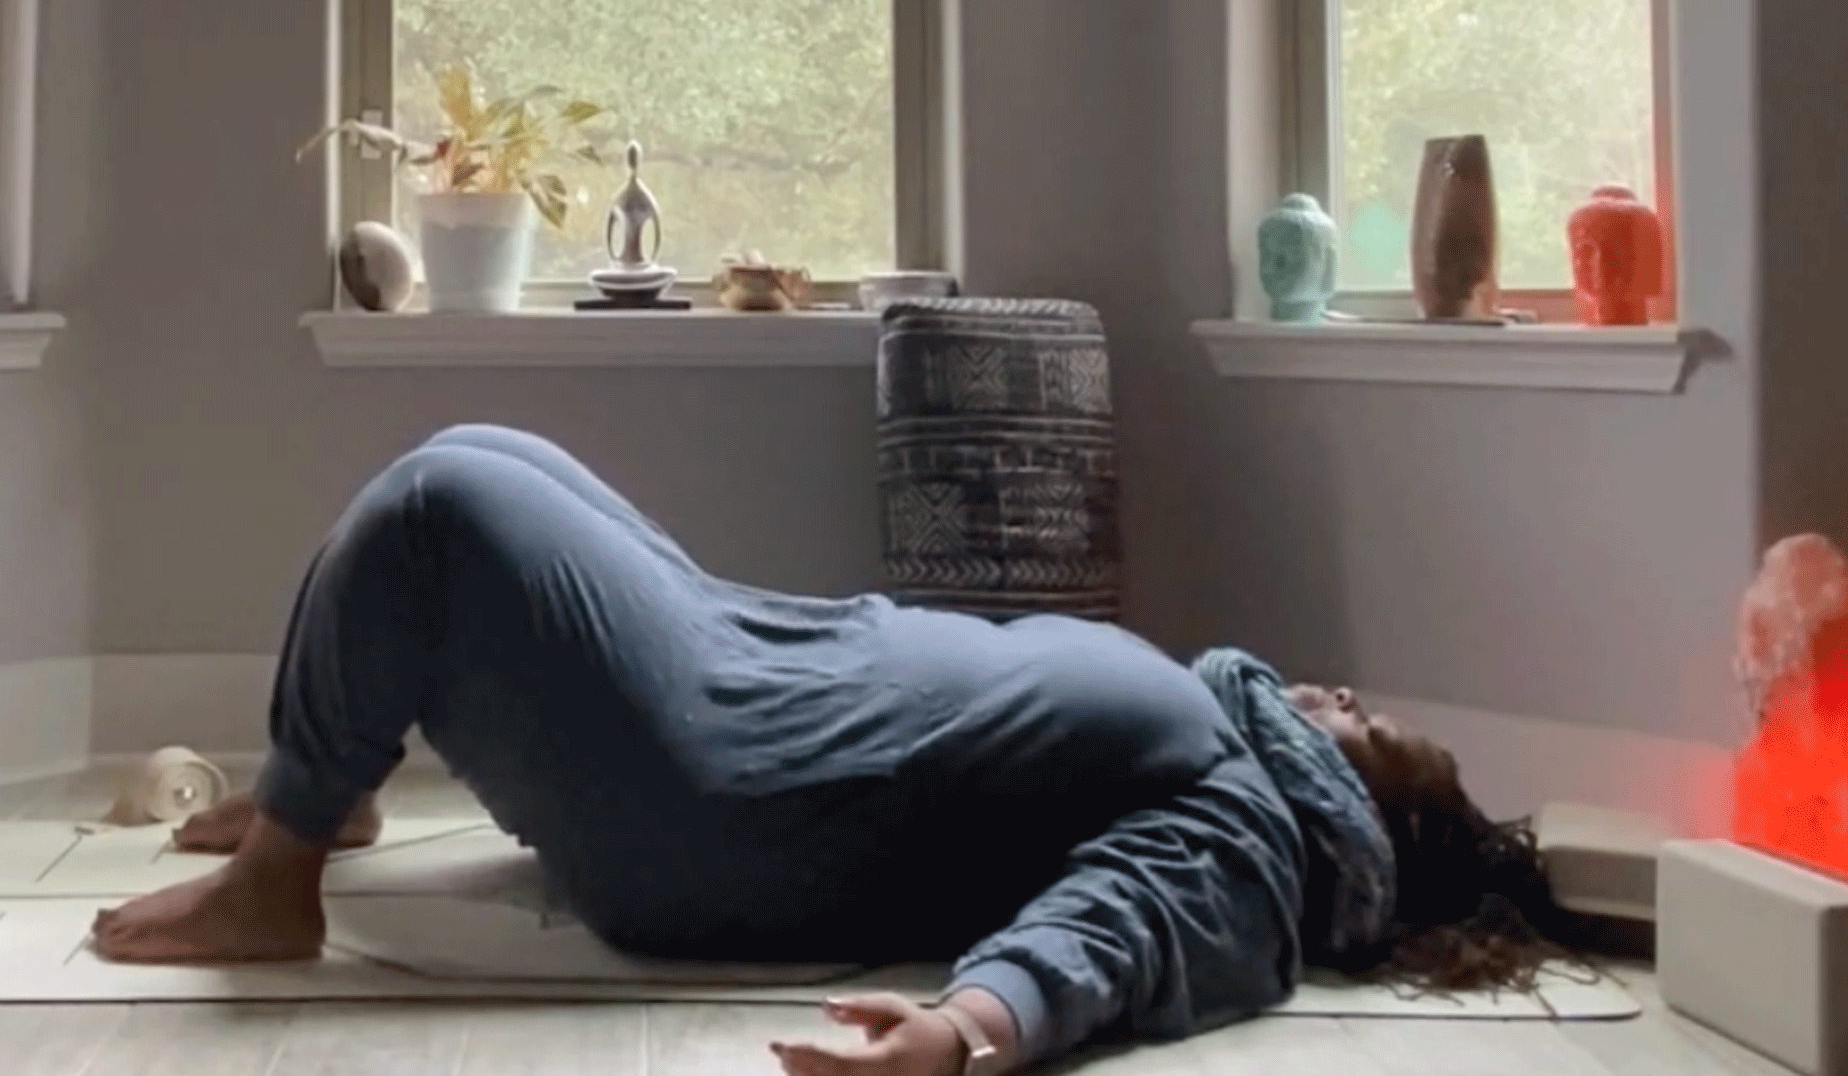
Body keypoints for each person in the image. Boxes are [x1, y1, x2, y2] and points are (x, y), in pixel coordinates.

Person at [92, 426, 1565, 1076]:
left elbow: (1114, 931)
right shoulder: (1232, 755)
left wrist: (971, 1033)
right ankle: (326, 789)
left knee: (439, 509)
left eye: (1367, 725)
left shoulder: (1255, 841)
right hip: (745, 671)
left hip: (723, 796)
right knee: (485, 449)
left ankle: (275, 887)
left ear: (1361, 806)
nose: (1340, 694)